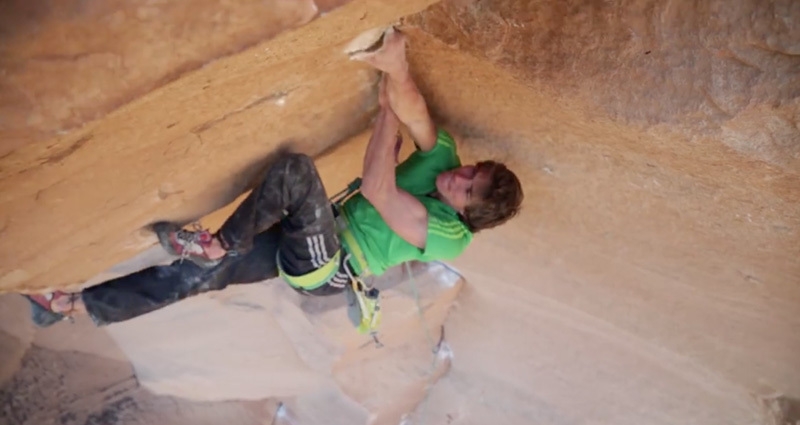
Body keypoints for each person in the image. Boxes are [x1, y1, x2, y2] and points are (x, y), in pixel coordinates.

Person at [27, 27, 523, 328]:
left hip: (327, 265)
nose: (461, 175)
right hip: (314, 233)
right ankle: (70, 306)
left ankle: (220, 244)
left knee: (296, 173)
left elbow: (377, 188)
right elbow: (415, 108)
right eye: (472, 170)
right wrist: (397, 69)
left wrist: (383, 115)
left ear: (468, 212)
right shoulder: (445, 165)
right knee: (198, 279)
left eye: (468, 188)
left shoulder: (451, 237)